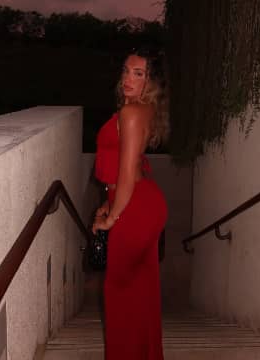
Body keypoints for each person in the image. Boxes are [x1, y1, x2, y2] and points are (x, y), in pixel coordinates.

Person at [92, 47, 169, 360]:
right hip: (139, 200)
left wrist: (111, 218)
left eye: (138, 74)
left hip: (134, 207)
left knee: (119, 293)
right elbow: (133, 167)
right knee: (140, 293)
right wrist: (108, 202)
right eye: (126, 70)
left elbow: (126, 173)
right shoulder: (142, 109)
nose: (128, 78)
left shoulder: (131, 113)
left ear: (151, 82)